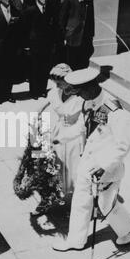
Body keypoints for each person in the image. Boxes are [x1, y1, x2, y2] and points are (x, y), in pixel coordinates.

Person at [52, 68, 130, 252]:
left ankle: (129, 227)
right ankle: (76, 241)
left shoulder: (114, 110)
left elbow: (123, 145)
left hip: (106, 168)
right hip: (88, 164)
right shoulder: (88, 103)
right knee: (80, 201)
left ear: (91, 87)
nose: (79, 96)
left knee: (105, 204)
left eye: (81, 91)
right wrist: (59, 138)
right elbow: (82, 128)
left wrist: (104, 165)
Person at [47, 63, 83, 196]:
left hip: (75, 136)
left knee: (73, 168)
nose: (57, 86)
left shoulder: (81, 96)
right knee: (56, 165)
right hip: (58, 131)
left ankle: (75, 198)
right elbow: (48, 108)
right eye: (55, 83)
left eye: (59, 83)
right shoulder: (54, 92)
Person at [20, 0, 54, 100]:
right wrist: (26, 46)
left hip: (46, 45)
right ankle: (34, 92)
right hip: (34, 45)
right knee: (34, 69)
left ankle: (42, 90)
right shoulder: (30, 11)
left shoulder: (49, 10)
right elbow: (24, 30)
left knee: (44, 69)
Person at [60, 0, 95, 70]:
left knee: (84, 62)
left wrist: (91, 34)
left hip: (86, 37)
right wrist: (64, 37)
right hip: (72, 37)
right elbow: (62, 20)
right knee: (73, 63)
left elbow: (91, 17)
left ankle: (82, 82)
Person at [11, 0, 36, 84]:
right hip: (17, 32)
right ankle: (18, 77)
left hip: (29, 32)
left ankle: (28, 76)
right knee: (18, 55)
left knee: (29, 55)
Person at [47, 0, 68, 65]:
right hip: (56, 33)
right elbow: (49, 19)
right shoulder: (51, 0)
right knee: (57, 55)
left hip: (68, 31)